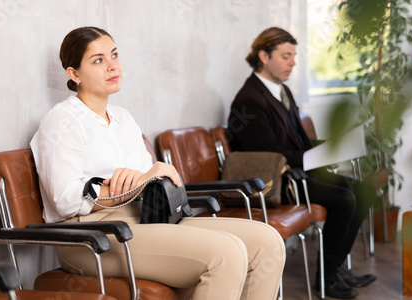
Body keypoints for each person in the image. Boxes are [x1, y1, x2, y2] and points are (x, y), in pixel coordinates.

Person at [30, 26, 286, 300]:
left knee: (267, 243)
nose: (112, 66)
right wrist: (134, 183)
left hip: (146, 217)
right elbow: (65, 200)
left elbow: (147, 179)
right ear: (74, 74)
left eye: (114, 55)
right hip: (92, 237)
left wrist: (149, 178)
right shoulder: (61, 122)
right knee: (226, 254)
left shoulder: (123, 118)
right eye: (98, 60)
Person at [227, 27, 378, 299]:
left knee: (364, 191)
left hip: (297, 174)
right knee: (344, 199)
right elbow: (268, 157)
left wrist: (335, 146)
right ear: (263, 55)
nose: (293, 63)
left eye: (293, 56)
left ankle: (336, 267)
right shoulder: (248, 100)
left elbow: (299, 141)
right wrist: (317, 156)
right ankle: (327, 277)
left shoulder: (282, 90)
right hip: (276, 183)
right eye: (286, 56)